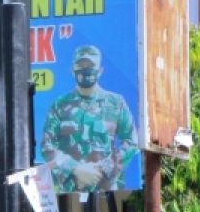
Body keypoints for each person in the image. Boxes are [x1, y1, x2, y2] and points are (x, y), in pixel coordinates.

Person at [40, 44, 138, 193]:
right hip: (69, 192)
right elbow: (47, 147)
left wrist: (102, 169)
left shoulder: (116, 103)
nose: (85, 70)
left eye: (90, 66)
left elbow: (131, 142)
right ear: (72, 71)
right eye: (81, 66)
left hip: (106, 190)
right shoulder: (59, 106)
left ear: (100, 71)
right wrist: (76, 168)